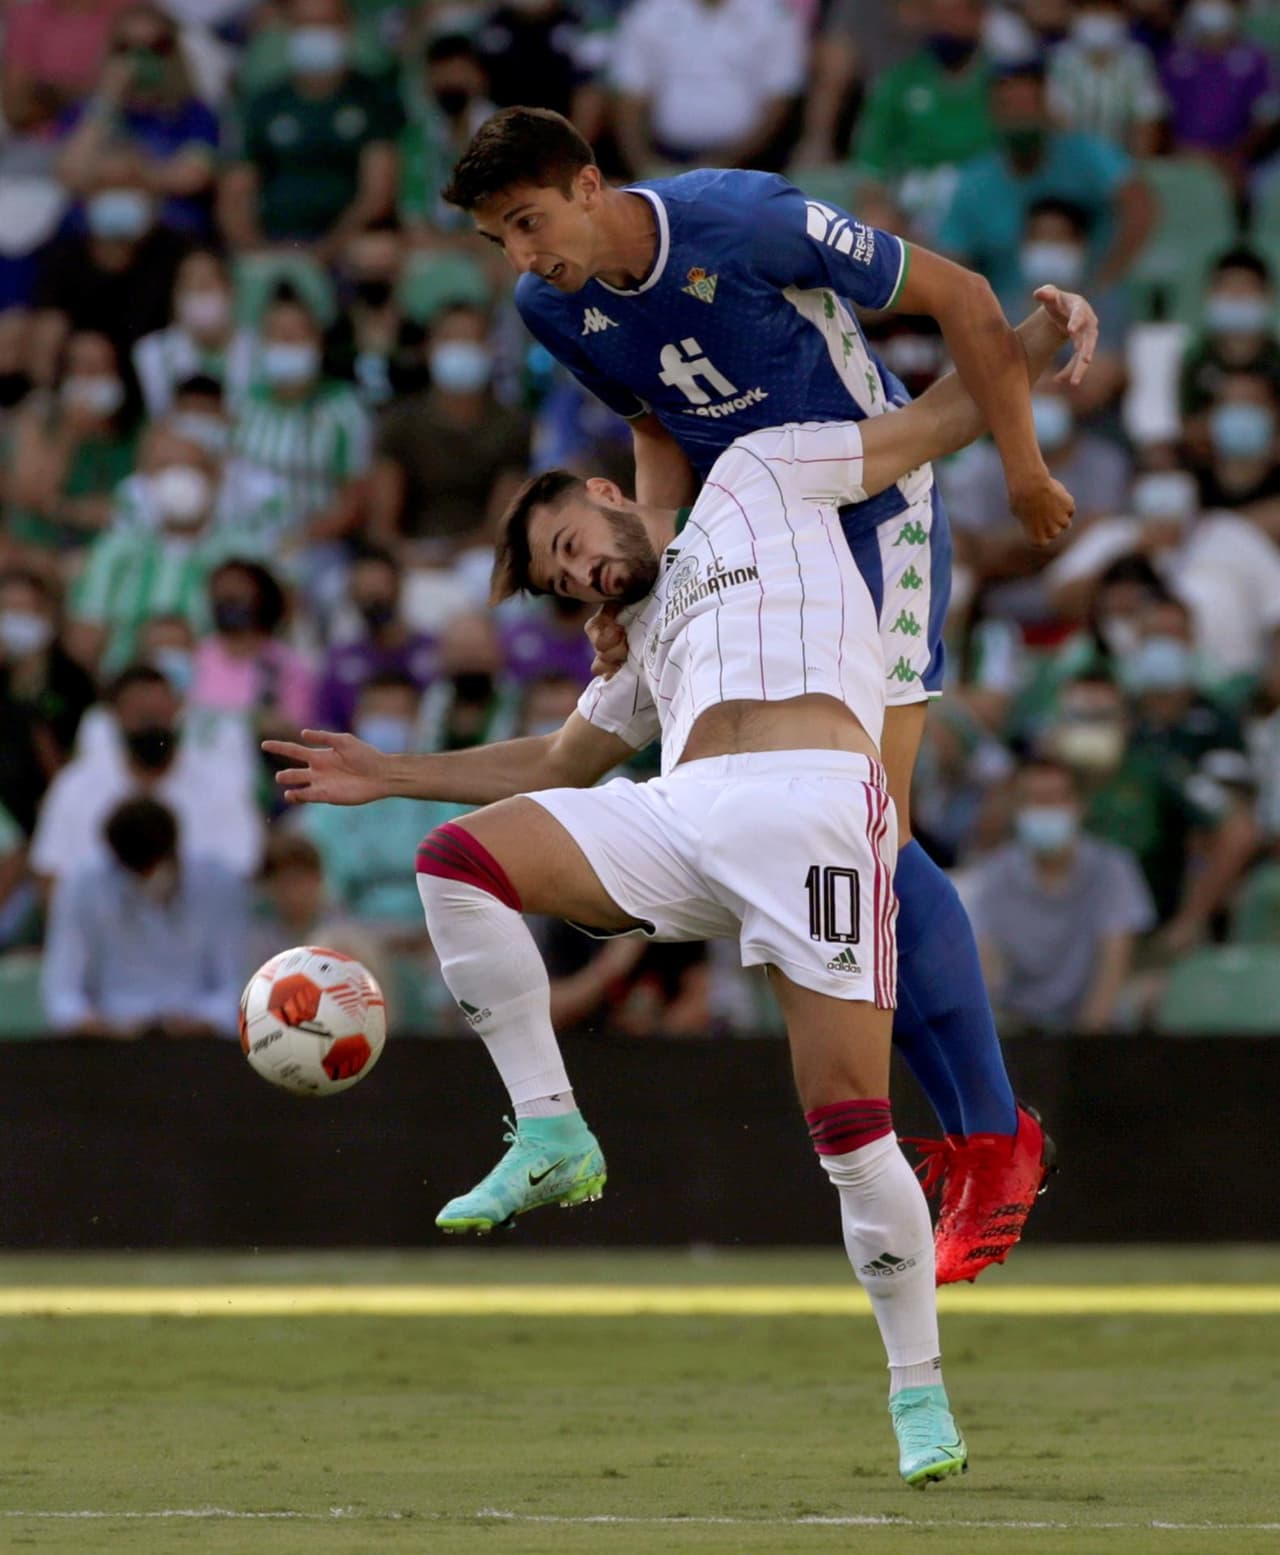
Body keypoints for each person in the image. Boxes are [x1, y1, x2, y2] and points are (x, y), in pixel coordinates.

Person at [268, 297, 1084, 1381]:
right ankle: (551, 1130)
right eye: (563, 582)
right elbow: (560, 759)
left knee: (848, 1115)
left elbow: (933, 423)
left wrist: (1033, 340)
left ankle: (942, 1302)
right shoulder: (641, 630)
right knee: (458, 857)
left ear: (607, 496)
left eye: (572, 548)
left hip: (814, 795)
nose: (582, 578)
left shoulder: (760, 476)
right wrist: (390, 776)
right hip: (690, 813)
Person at [440, 105, 1092, 1278]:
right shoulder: (552, 305)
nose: (522, 258)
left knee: (875, 839)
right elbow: (655, 431)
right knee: (843, 843)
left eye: (528, 223)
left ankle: (991, 1139)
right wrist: (643, 583)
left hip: (871, 509)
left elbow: (955, 295)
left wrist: (1024, 467)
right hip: (750, 529)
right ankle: (981, 1138)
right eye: (499, 241)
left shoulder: (741, 220)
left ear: (587, 183)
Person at [938, 56, 1155, 319]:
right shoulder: (974, 182)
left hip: (1091, 299)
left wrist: (1105, 279)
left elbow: (1139, 206)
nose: (1021, 117)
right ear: (993, 113)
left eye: (1028, 105)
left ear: (1047, 107)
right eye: (1010, 107)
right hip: (1007, 308)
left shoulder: (1087, 156)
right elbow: (954, 257)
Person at [30, 661, 262, 886]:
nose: (152, 725)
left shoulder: (220, 782)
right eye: (142, 715)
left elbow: (243, 867)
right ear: (116, 717)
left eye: (159, 713)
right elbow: (49, 871)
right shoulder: (75, 787)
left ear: (176, 711)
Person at [969, 755, 1155, 1033]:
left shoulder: (1114, 869)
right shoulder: (995, 874)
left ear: (1079, 805)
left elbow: (1113, 965)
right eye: (1034, 800)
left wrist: (1085, 1042)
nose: (1044, 809)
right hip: (1018, 1022)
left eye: (1054, 799)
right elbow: (986, 965)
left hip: (1092, 1027)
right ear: (1017, 809)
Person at [41, 794, 246, 1038]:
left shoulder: (219, 882)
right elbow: (63, 993)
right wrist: (90, 1023)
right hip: (110, 1041)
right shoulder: (81, 885)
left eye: (153, 868)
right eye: (139, 873)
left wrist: (206, 1021)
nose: (148, 880)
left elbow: (235, 986)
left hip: (202, 1039)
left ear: (173, 853)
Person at [217, 0, 402, 259]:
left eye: (325, 24)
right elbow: (236, 191)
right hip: (276, 242)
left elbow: (377, 194)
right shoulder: (266, 103)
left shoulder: (373, 98)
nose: (315, 34)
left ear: (347, 28)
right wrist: (257, 250)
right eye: (306, 24)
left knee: (375, 254)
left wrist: (326, 250)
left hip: (348, 244)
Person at [368, 301, 530, 556]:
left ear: (490, 349)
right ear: (429, 349)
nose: (460, 349)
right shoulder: (399, 424)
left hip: (481, 555)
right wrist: (409, 555)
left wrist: (450, 555)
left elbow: (501, 522)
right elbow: (382, 525)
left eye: (470, 339)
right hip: (410, 553)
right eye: (451, 339)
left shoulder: (511, 426)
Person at [55, 2, 220, 237]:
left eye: (156, 47)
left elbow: (193, 177)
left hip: (169, 232)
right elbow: (70, 174)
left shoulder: (194, 113)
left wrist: (126, 172)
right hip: (90, 237)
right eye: (125, 47)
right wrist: (107, 101)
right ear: (110, 52)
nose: (140, 58)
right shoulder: (86, 111)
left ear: (173, 53)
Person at [609, 0, 806, 175]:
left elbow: (780, 98)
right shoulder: (648, 10)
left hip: (754, 162)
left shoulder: (772, 13)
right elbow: (629, 93)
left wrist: (724, 163)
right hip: (665, 155)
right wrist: (643, 165)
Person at [5, 329, 140, 553]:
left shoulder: (141, 432)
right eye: (76, 367)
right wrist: (69, 435)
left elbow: (121, 511)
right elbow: (29, 493)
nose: (85, 379)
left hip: (111, 550)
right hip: (39, 548)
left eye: (96, 369)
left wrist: (60, 508)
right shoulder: (38, 421)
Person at [0, 566, 98, 836]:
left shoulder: (73, 679)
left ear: (47, 614)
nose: (16, 619)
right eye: (8, 609)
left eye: (25, 609)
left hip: (51, 807)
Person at [313, 546, 439, 732]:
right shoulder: (339, 661)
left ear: (398, 587)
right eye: (362, 593)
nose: (371, 602)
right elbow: (326, 726)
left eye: (378, 592)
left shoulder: (434, 651)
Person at [132, 248, 256, 418]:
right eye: (189, 285)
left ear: (231, 291)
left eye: (207, 284)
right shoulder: (152, 352)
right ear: (176, 296)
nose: (199, 293)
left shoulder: (259, 347)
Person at [1046, 0, 1166, 155]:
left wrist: (1134, 163)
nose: (1098, 19)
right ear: (1074, 15)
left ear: (1124, 16)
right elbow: (1058, 118)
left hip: (1123, 159)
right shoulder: (1060, 59)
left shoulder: (1137, 60)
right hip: (1072, 158)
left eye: (1106, 12)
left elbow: (1147, 118)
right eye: (1090, 11)